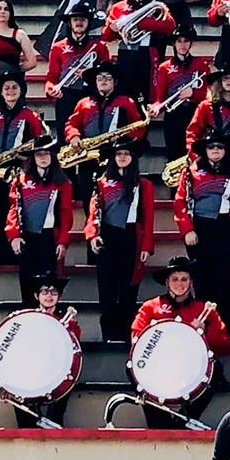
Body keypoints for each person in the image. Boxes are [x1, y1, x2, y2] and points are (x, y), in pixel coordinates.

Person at [132, 256, 230, 428]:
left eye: (184, 279)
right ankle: (157, 421)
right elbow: (137, 339)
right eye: (175, 279)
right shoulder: (150, 307)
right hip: (160, 366)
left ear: (191, 282)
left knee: (216, 368)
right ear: (166, 282)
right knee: (133, 368)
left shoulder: (204, 309)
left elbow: (225, 346)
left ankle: (185, 419)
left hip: (191, 368)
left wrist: (204, 332)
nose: (180, 284)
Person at [172, 129, 230, 323]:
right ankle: (200, 336)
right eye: (211, 147)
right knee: (200, 286)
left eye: (220, 146)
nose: (216, 150)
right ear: (204, 150)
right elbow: (180, 202)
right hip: (198, 231)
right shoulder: (189, 171)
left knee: (224, 288)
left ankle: (222, 336)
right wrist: (187, 230)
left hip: (225, 229)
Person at [85, 137, 156, 343]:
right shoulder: (101, 182)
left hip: (132, 238)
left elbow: (149, 217)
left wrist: (146, 245)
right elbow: (93, 214)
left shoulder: (144, 185)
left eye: (126, 154)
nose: (122, 157)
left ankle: (126, 336)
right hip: (107, 238)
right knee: (106, 290)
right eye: (118, 154)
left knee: (128, 289)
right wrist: (93, 235)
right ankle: (108, 337)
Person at [0, 71, 47, 264]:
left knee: (17, 211)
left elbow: (40, 143)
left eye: (14, 87)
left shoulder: (30, 116)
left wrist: (26, 158)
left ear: (21, 90)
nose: (10, 90)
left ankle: (17, 256)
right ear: (0, 91)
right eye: (6, 87)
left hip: (19, 172)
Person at [3, 135, 74, 308]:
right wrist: (14, 236)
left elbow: (66, 215)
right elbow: (13, 209)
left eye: (46, 154)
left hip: (49, 238)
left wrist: (63, 242)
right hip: (27, 238)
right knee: (27, 280)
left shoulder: (63, 183)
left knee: (49, 281)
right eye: (38, 154)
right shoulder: (20, 181)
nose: (43, 158)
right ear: (33, 158)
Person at [62, 63, 145, 204]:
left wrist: (126, 141)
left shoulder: (126, 102)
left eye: (108, 77)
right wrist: (74, 137)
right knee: (88, 196)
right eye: (100, 78)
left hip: (115, 157)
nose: (104, 80)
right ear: (95, 82)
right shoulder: (84, 103)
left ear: (115, 82)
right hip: (88, 157)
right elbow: (71, 124)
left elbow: (139, 129)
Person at [105, 0, 176, 104]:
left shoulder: (156, 6)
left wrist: (141, 23)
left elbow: (170, 26)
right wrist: (112, 28)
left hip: (149, 53)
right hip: (126, 53)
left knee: (146, 93)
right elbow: (105, 36)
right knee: (124, 92)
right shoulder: (119, 7)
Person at [43, 4, 108, 137]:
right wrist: (50, 88)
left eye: (83, 20)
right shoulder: (58, 47)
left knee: (89, 134)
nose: (79, 22)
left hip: (90, 95)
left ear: (88, 22)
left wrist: (89, 74)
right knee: (64, 135)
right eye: (75, 19)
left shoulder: (99, 47)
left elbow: (108, 74)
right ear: (69, 23)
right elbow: (52, 77)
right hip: (66, 95)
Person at [148, 32, 214, 162]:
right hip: (173, 116)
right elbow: (160, 97)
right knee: (173, 154)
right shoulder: (164, 67)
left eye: (186, 41)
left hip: (194, 113)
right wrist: (156, 106)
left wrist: (192, 94)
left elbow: (207, 93)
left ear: (191, 43)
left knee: (195, 153)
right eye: (179, 41)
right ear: (173, 44)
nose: (182, 45)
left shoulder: (201, 64)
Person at [27, 272, 82, 425]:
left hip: (58, 373)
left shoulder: (70, 324)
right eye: (44, 291)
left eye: (54, 292)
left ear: (59, 297)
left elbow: (74, 352)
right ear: (36, 296)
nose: (49, 296)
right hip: (32, 372)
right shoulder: (27, 321)